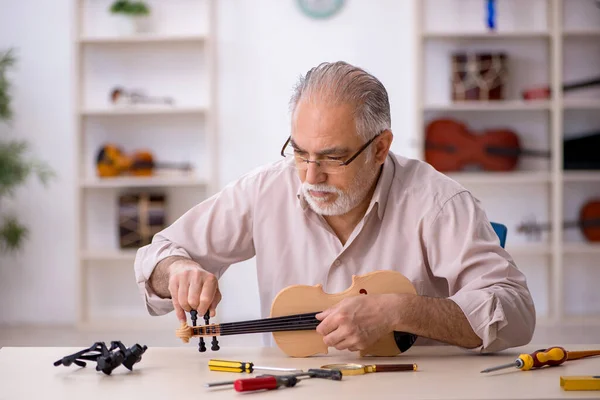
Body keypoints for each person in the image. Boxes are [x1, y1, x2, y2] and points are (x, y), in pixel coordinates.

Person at [133, 61, 536, 354]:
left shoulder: (439, 202)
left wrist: (403, 310)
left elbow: (515, 311)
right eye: (300, 153)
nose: (310, 177)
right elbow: (158, 256)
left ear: (380, 148)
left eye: (332, 158)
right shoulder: (265, 189)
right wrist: (178, 271)